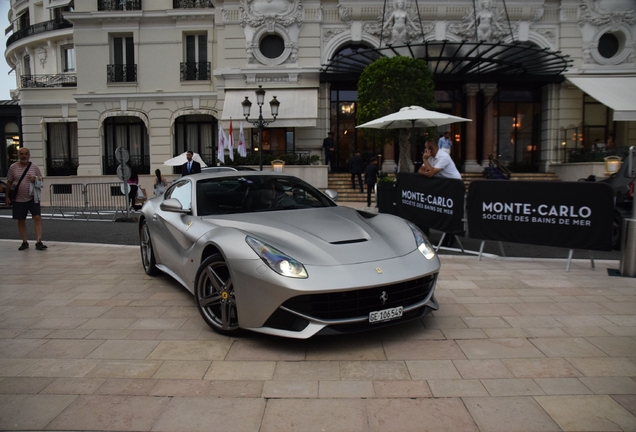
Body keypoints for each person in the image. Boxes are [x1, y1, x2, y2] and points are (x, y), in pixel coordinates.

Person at [5, 147, 47, 251]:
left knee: (37, 218)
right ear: (18, 155)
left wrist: (35, 179)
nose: (24, 156)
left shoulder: (34, 167)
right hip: (18, 199)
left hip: (33, 198)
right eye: (22, 154)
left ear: (29, 155)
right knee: (21, 220)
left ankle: (39, 241)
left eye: (26, 154)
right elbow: (9, 182)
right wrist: (7, 196)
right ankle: (24, 242)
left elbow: (41, 180)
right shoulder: (13, 167)